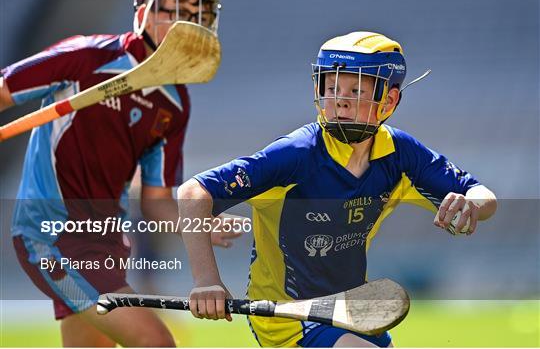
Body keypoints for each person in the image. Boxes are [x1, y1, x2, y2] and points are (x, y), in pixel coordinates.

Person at [177, 31, 498, 347]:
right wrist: (206, 282)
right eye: (331, 87)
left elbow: (482, 196)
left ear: (389, 99)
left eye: (356, 88)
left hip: (353, 308)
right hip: (288, 318)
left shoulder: (400, 155)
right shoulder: (295, 155)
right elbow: (193, 194)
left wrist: (470, 205)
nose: (340, 99)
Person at [0, 0, 240, 347]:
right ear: (144, 10)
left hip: (105, 241)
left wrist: (197, 224)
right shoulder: (85, 58)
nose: (192, 23)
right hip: (50, 235)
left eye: (202, 11)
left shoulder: (174, 102)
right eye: (180, 9)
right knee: (156, 342)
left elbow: (156, 202)